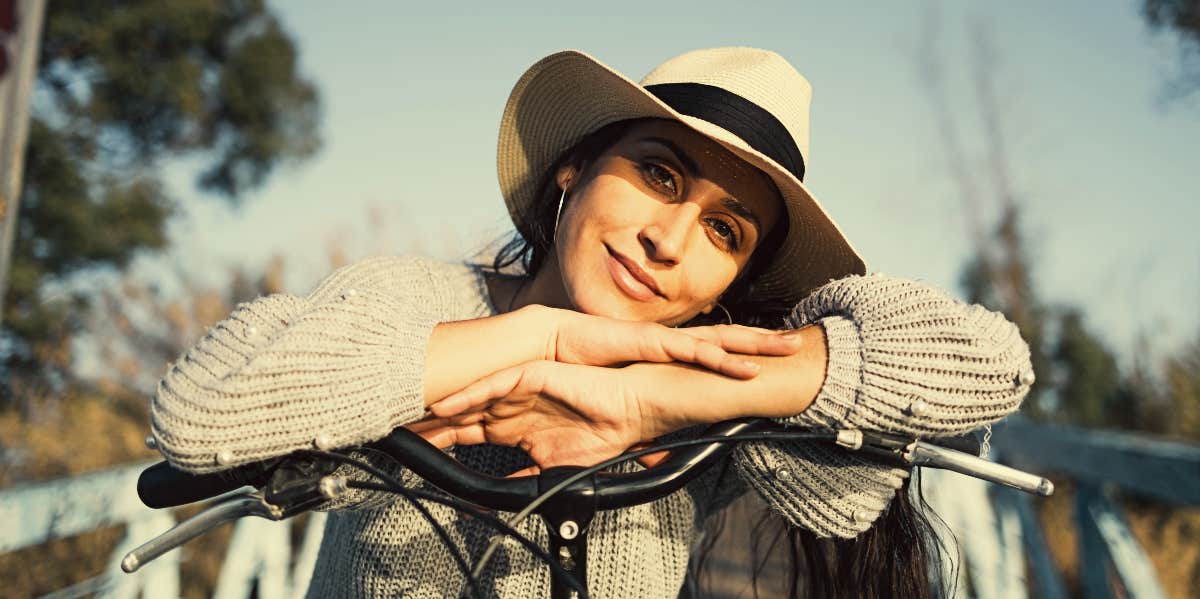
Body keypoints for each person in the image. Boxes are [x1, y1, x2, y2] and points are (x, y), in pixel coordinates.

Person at [149, 48, 1034, 598]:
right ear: (573, 168)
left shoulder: (706, 392)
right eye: (658, 174)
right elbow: (200, 415)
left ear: (732, 276)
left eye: (724, 231)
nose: (667, 238)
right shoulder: (417, 301)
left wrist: (658, 399)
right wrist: (544, 338)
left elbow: (987, 368)